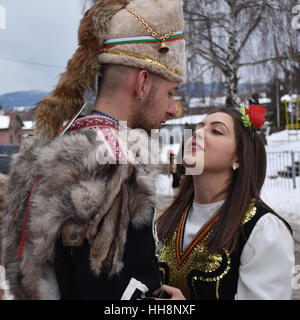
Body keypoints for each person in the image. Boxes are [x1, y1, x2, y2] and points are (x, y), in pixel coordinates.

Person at [1, 0, 185, 300]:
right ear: (142, 82)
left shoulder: (60, 143)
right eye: (170, 93)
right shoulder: (116, 160)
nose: (172, 109)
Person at [156, 105, 295, 300]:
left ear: (238, 157)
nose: (197, 133)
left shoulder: (263, 230)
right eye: (198, 127)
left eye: (216, 131)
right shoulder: (171, 218)